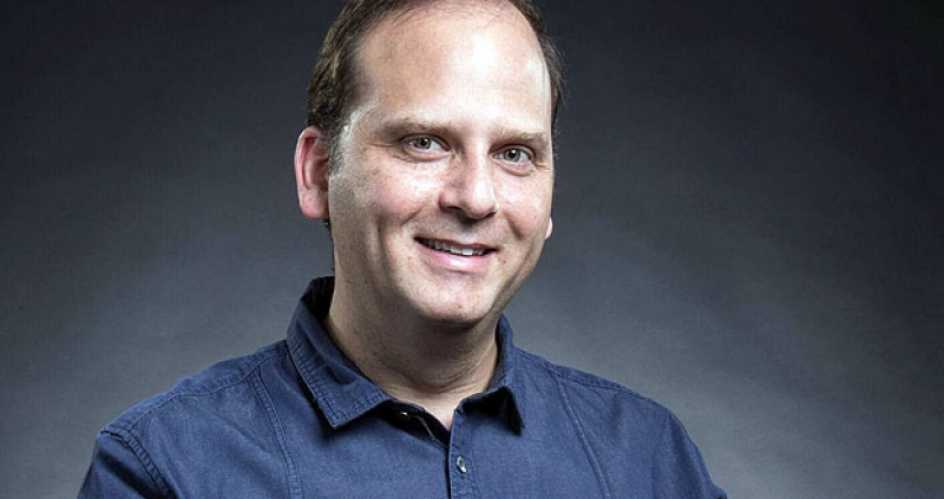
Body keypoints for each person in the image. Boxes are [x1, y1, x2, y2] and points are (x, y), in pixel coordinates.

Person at [79, 0, 726, 497]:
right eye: (425, 142)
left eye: (514, 153)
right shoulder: (165, 469)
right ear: (317, 173)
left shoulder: (649, 459)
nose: (476, 197)